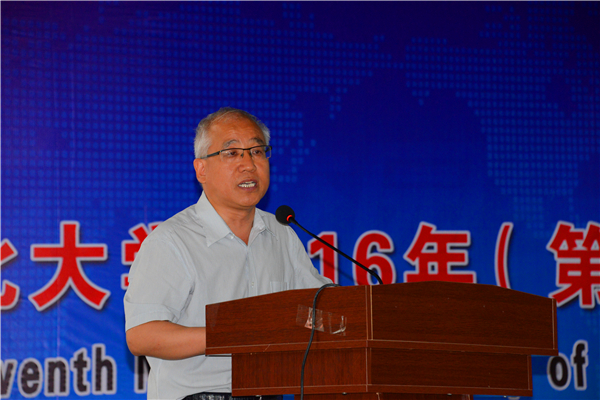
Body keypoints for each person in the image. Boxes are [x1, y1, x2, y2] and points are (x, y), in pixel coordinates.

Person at [124, 107, 331, 400]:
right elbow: (141, 335)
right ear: (201, 169)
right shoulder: (172, 240)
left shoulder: (281, 233)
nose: (248, 164)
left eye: (257, 151)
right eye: (232, 153)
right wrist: (234, 333)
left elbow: (321, 308)